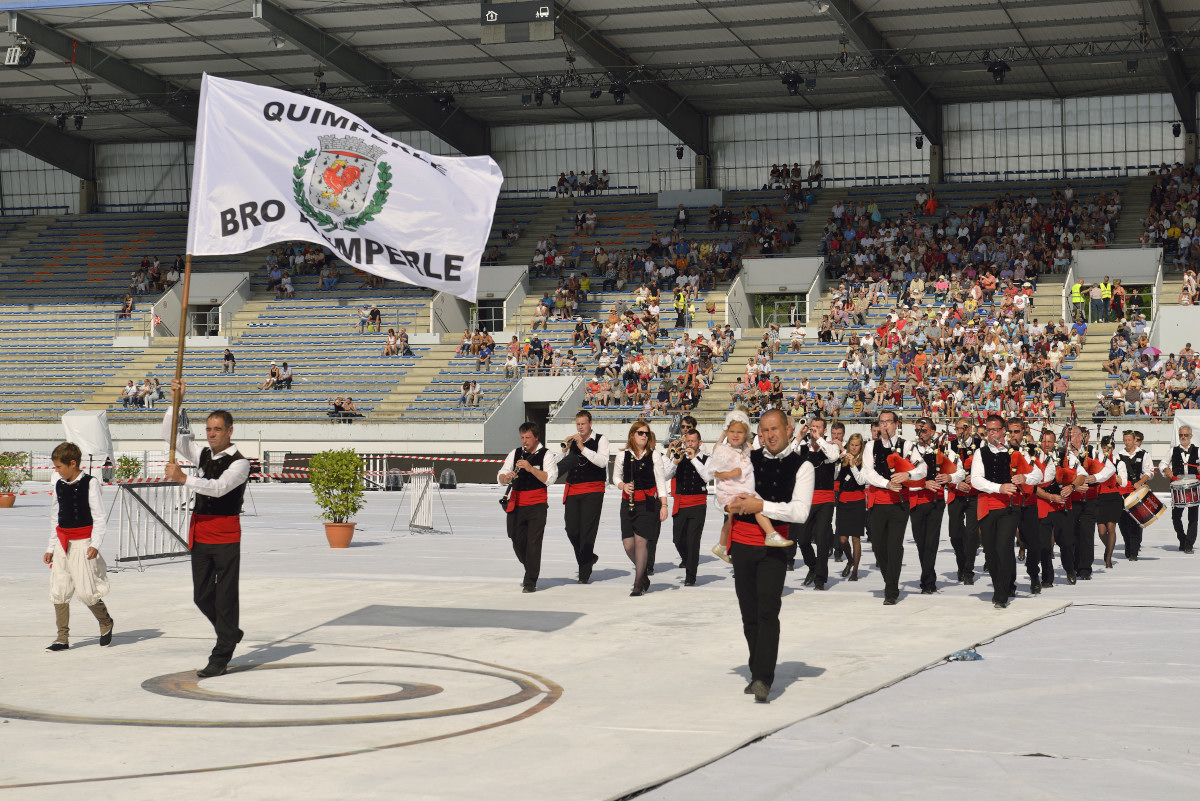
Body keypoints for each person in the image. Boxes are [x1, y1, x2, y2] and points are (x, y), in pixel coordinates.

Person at [163, 380, 251, 677]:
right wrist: (176, 401)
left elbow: (219, 489)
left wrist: (183, 479)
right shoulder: (201, 453)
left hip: (226, 535)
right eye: (208, 429)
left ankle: (221, 654)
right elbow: (169, 434)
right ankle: (230, 632)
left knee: (226, 596)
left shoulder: (241, 463)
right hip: (200, 533)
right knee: (202, 595)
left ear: (229, 431)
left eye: (217, 429)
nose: (211, 434)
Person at [726, 409, 815, 703]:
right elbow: (722, 494)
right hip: (741, 543)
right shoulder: (747, 459)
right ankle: (756, 670)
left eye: (774, 429)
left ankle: (764, 677)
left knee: (767, 610)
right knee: (748, 613)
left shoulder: (803, 466)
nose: (769, 436)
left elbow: (800, 512)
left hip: (773, 547)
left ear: (789, 429)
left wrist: (761, 506)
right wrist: (731, 503)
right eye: (763, 431)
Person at [43, 442, 115, 652]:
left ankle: (105, 622)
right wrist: (50, 547)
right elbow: (55, 518)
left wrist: (95, 544)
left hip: (83, 543)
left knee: (86, 591)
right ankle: (62, 638)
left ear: (72, 464)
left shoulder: (90, 483)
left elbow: (100, 517)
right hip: (62, 543)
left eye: (59, 467)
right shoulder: (58, 483)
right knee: (59, 589)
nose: (56, 470)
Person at [971, 415, 1039, 609]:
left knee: (1003, 547)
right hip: (987, 505)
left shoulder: (1018, 451)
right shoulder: (980, 453)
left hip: (1010, 507)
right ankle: (1003, 584)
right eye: (989, 430)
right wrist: (998, 488)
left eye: (995, 430)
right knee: (990, 552)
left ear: (1003, 431)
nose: (992, 434)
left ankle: (1001, 594)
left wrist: (1025, 477)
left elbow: (1037, 474)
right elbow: (976, 479)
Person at [861, 410, 926, 605]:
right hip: (878, 501)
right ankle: (889, 579)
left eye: (888, 422)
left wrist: (908, 475)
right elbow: (867, 472)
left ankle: (891, 590)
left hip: (899, 502)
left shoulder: (906, 446)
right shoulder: (871, 446)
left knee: (894, 545)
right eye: (882, 422)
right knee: (878, 546)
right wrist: (886, 483)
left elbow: (922, 469)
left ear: (896, 424)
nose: (885, 426)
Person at [711, 409, 794, 555]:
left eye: (740, 432)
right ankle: (771, 534)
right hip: (730, 491)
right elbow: (711, 472)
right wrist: (730, 473)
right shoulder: (724, 450)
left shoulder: (743, 449)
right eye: (732, 431)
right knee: (757, 506)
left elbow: (753, 454)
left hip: (741, 487)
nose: (736, 435)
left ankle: (722, 546)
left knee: (732, 519)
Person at [497, 422, 559, 593]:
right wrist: (506, 478)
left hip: (537, 505)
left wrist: (531, 469)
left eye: (528, 438)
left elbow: (550, 478)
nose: (524, 441)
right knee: (515, 537)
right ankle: (531, 566)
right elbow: (500, 475)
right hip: (516, 503)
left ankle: (530, 580)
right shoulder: (515, 453)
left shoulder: (546, 455)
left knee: (533, 542)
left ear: (536, 437)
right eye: (522, 437)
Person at [612, 421, 669, 596]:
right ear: (632, 435)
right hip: (627, 503)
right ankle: (643, 573)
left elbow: (660, 481)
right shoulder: (623, 455)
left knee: (640, 542)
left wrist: (664, 504)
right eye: (640, 433)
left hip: (648, 503)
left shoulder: (654, 456)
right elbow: (615, 477)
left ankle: (638, 583)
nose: (644, 436)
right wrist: (622, 485)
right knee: (628, 544)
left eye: (646, 433)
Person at [907, 417, 962, 595]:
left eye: (922, 430)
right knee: (920, 542)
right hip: (915, 499)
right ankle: (928, 575)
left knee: (931, 542)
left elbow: (960, 470)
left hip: (935, 501)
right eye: (917, 430)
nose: (919, 434)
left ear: (932, 432)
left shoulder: (944, 449)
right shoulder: (910, 449)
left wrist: (950, 478)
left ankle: (927, 581)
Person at [560, 411, 610, 584]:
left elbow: (602, 462)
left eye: (583, 424)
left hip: (593, 490)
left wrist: (582, 448)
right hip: (573, 489)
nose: (580, 427)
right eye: (578, 424)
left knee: (587, 530)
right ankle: (588, 557)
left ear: (590, 423)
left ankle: (584, 572)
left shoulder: (601, 440)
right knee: (571, 529)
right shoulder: (574, 442)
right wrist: (564, 449)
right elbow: (561, 466)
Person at [792, 416, 841, 589]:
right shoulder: (803, 448)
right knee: (803, 539)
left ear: (824, 430)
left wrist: (819, 439)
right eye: (812, 426)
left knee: (821, 539)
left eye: (818, 427)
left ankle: (821, 578)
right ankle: (812, 566)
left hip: (825, 499)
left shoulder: (831, 446)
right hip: (806, 499)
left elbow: (834, 457)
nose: (814, 429)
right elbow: (786, 455)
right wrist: (799, 437)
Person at [663, 420, 709, 586]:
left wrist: (694, 458)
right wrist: (674, 461)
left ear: (699, 443)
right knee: (677, 539)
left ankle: (691, 576)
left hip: (698, 504)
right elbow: (665, 475)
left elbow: (707, 477)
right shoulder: (679, 457)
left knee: (693, 541)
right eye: (687, 441)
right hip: (681, 503)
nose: (689, 444)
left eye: (692, 441)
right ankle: (688, 559)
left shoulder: (705, 459)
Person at [946, 418, 980, 585]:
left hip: (974, 494)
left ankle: (968, 570)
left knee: (972, 534)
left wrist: (973, 480)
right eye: (957, 428)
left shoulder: (980, 444)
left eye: (963, 428)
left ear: (970, 429)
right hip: (956, 492)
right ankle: (962, 562)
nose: (960, 431)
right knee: (955, 533)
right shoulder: (950, 446)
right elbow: (944, 470)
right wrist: (956, 482)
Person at [1116, 430, 1155, 560]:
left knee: (1135, 522)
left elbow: (1149, 472)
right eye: (1125, 440)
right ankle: (1129, 545)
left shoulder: (1143, 454)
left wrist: (1140, 482)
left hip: (1138, 492)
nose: (1127, 443)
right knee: (1122, 522)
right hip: (1123, 493)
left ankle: (1133, 552)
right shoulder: (1119, 455)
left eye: (1129, 440)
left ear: (1134, 440)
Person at [1160, 425, 1199, 554]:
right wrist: (1166, 470)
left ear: (1191, 436)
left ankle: (1189, 544)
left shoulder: (1198, 450)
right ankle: (1182, 539)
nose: (1183, 437)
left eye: (1186, 435)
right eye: (1181, 435)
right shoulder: (1173, 450)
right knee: (1176, 517)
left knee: (1193, 518)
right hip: (1178, 486)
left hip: (1194, 486)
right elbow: (1162, 464)